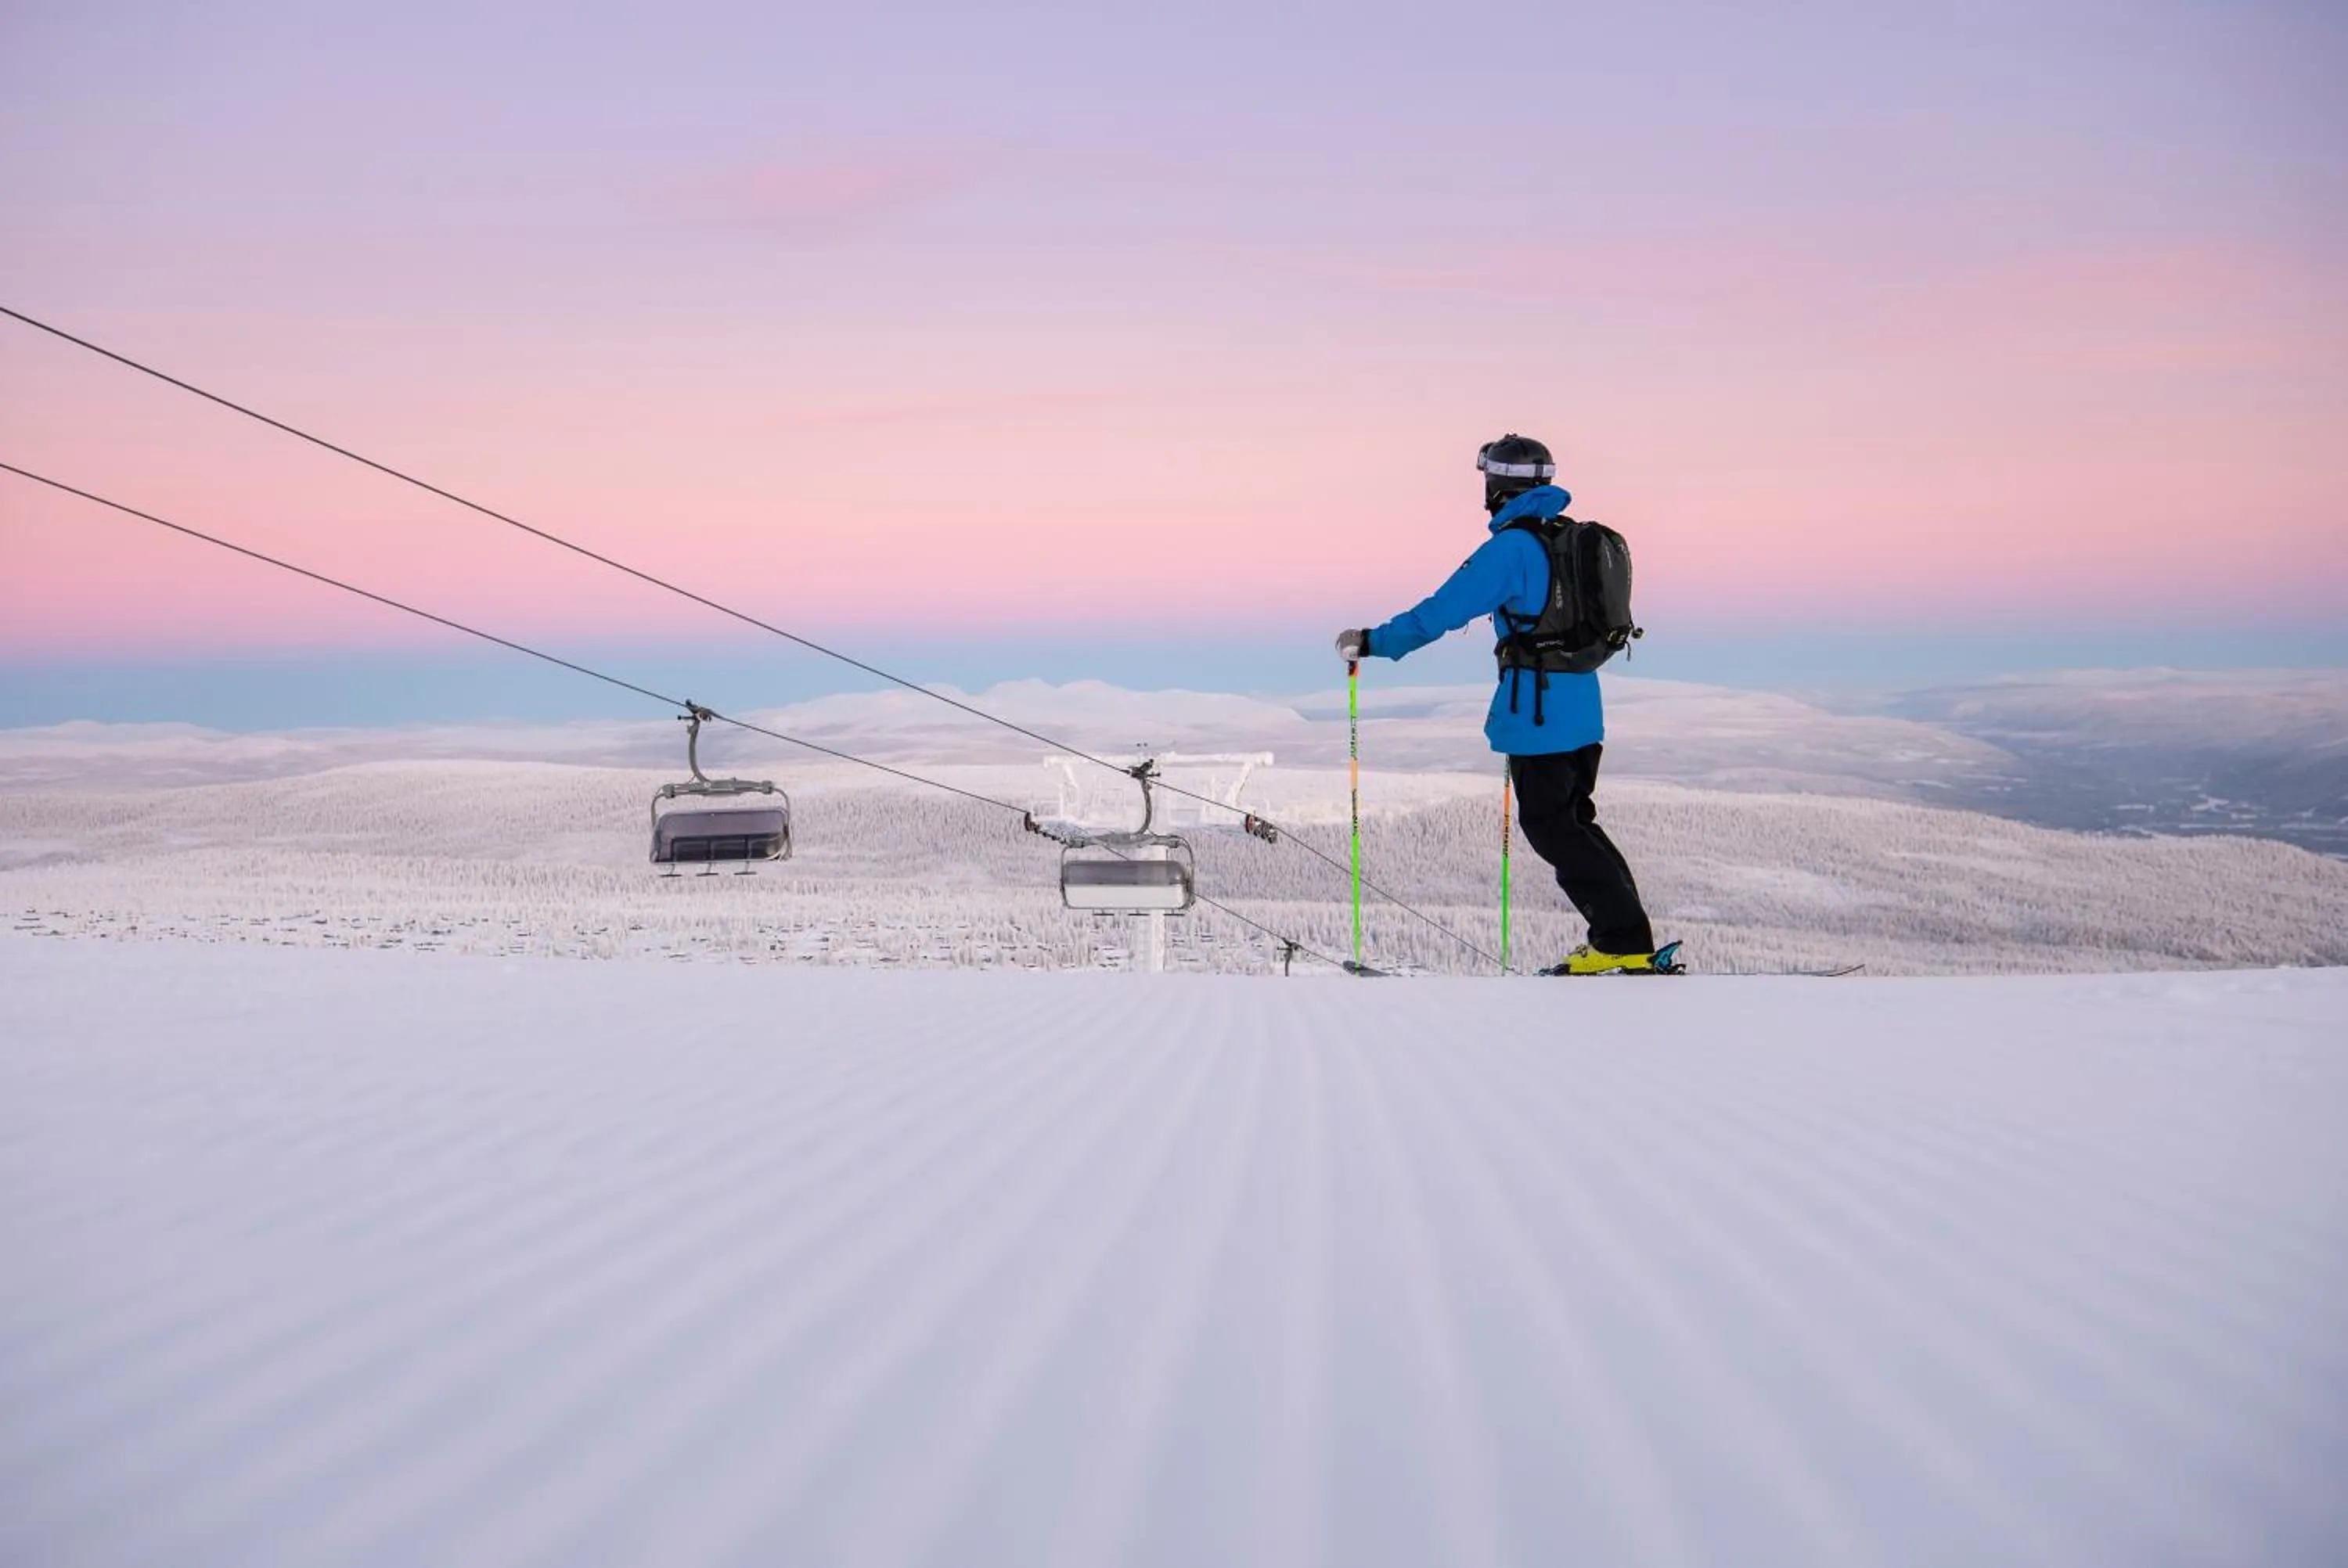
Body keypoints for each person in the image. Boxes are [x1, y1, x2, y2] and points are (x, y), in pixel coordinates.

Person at [1334, 433, 1670, 975]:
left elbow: (1439, 612)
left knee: (1554, 828)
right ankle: (1628, 938)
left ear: (1496, 487)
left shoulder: (1512, 549)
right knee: (1575, 822)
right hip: (1582, 707)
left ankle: (1621, 939)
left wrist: (1374, 642)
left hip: (1539, 713)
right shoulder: (1567, 537)